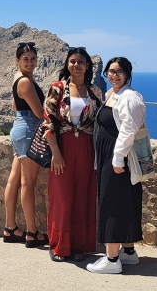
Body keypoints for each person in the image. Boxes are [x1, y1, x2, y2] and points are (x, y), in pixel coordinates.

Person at [86, 57, 146, 274]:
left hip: (117, 158)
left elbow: (129, 130)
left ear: (128, 74)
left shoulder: (130, 97)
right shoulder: (112, 94)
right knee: (124, 201)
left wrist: (117, 158)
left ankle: (111, 259)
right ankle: (128, 252)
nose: (114, 75)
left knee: (111, 204)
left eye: (119, 71)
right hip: (110, 156)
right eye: (110, 72)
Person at [42, 46, 102, 262]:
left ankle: (78, 245)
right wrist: (56, 153)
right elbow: (48, 121)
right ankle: (58, 245)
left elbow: (99, 123)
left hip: (87, 148)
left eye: (81, 62)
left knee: (82, 197)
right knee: (62, 197)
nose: (76, 65)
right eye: (73, 61)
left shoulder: (95, 91)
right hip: (63, 147)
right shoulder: (57, 88)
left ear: (88, 66)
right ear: (67, 64)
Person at [2, 42, 48, 248]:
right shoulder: (26, 83)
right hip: (29, 129)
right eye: (26, 59)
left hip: (20, 127)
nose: (30, 62)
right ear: (17, 61)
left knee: (14, 181)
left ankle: (10, 227)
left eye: (33, 59)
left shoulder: (18, 79)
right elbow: (39, 113)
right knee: (28, 183)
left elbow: (14, 105)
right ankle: (32, 232)